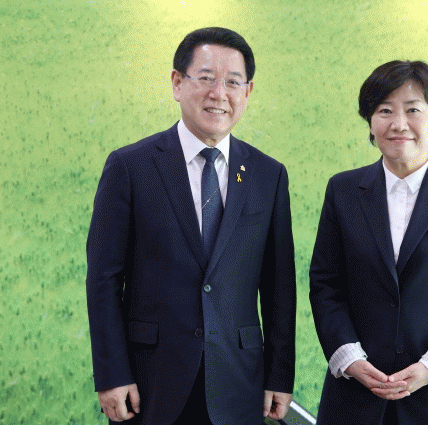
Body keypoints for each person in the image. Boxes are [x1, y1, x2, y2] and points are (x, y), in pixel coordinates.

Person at [86, 27, 296, 425]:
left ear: (248, 92)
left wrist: (279, 376)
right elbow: (103, 279)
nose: (219, 94)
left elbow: (279, 287)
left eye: (233, 82)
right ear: (177, 83)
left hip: (239, 381)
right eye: (206, 78)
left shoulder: (268, 175)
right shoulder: (130, 167)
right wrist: (112, 374)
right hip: (150, 381)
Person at [309, 60, 428, 424]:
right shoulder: (343, 190)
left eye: (413, 110)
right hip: (356, 396)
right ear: (370, 122)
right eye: (385, 111)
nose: (398, 124)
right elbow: (326, 285)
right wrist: (350, 358)